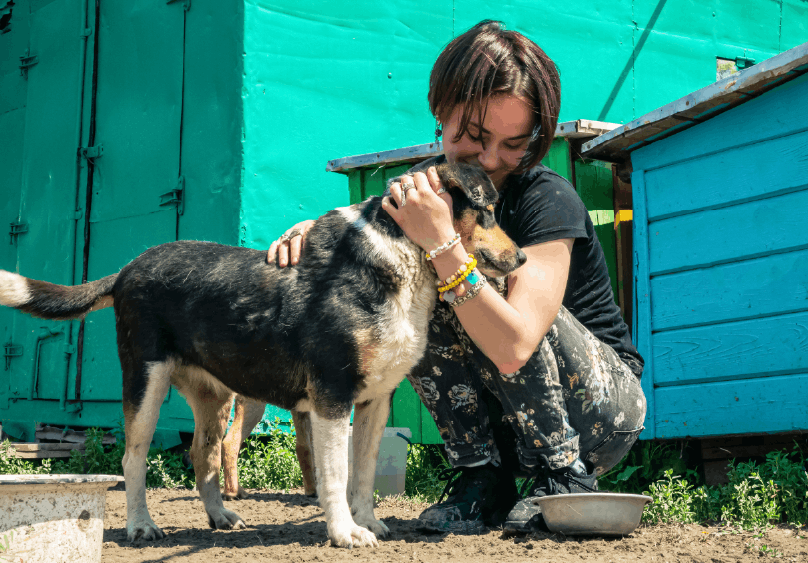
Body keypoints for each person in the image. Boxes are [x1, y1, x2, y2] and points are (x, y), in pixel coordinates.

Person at [268, 20, 646, 534]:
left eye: (515, 143)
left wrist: (445, 245)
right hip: (507, 418)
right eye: (473, 136)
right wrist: (312, 233)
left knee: (472, 280)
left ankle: (562, 476)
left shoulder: (548, 199)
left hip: (597, 413)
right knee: (404, 296)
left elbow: (516, 345)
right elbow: (363, 226)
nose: (491, 160)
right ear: (440, 112)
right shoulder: (424, 187)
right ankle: (481, 479)